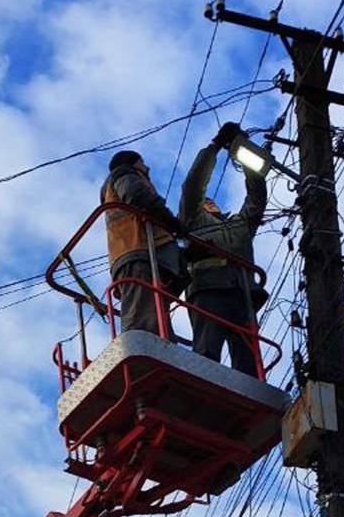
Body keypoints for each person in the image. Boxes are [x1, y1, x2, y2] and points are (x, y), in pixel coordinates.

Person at [178, 122, 267, 375]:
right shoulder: (193, 222)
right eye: (205, 202)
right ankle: (202, 388)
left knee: (248, 362)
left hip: (243, 293)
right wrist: (215, 147)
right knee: (207, 353)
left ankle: (251, 393)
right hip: (208, 288)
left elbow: (256, 197)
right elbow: (192, 187)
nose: (209, 202)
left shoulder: (240, 226)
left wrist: (242, 148)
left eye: (211, 201)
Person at [100, 150, 187, 335]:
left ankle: (163, 349)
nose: (147, 167)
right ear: (134, 164)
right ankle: (144, 354)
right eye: (143, 162)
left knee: (153, 313)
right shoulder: (124, 175)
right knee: (143, 318)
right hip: (137, 251)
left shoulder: (114, 187)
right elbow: (138, 197)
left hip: (136, 252)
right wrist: (171, 221)